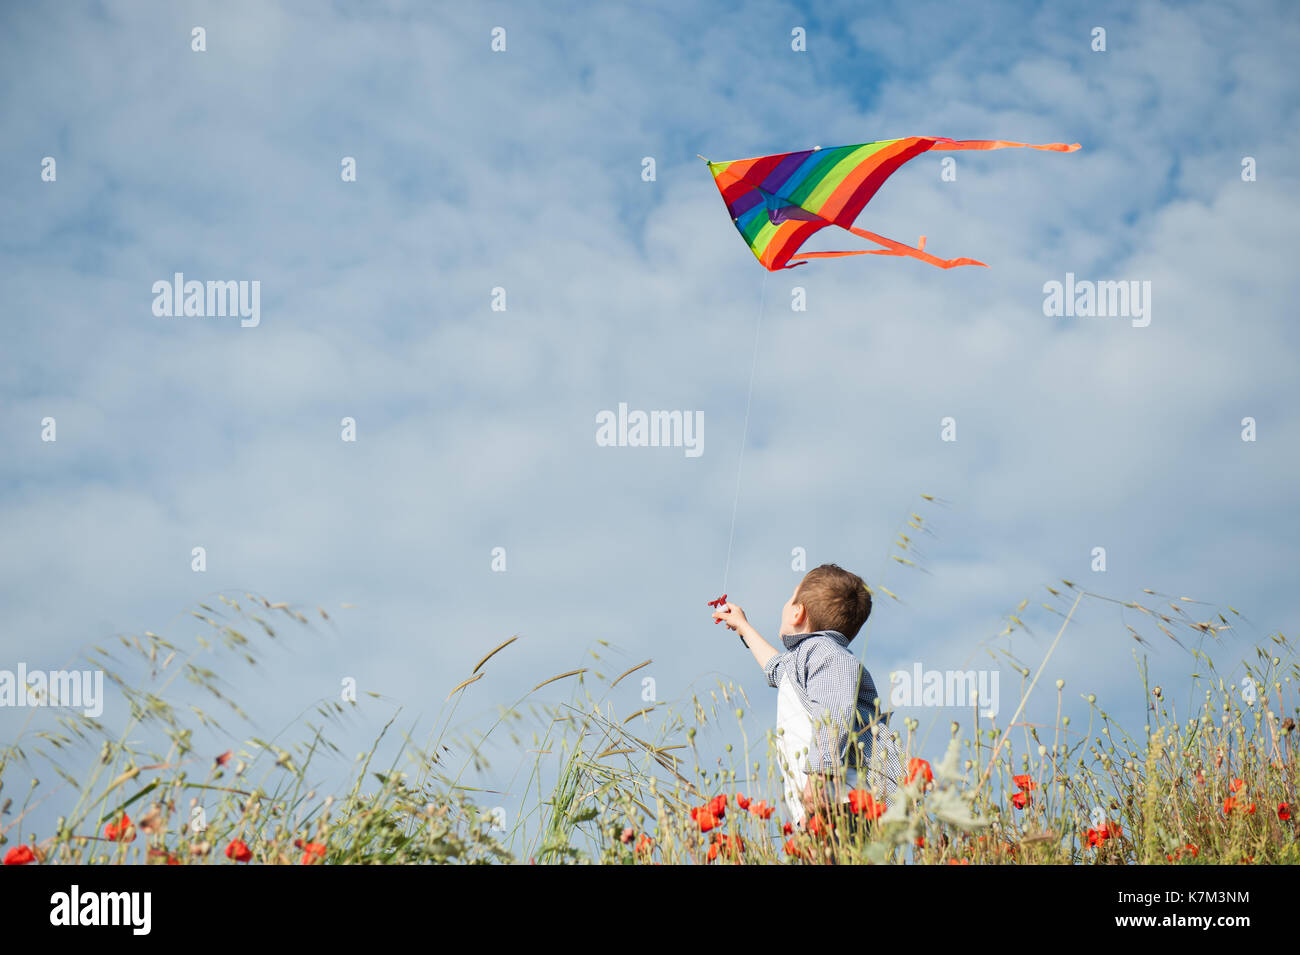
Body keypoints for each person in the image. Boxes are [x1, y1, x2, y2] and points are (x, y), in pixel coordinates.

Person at [712, 563, 901, 838]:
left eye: (790, 598)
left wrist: (820, 776)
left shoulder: (825, 653)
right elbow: (778, 669)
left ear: (798, 611)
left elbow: (835, 710)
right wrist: (744, 627)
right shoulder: (808, 658)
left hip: (844, 804)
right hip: (826, 807)